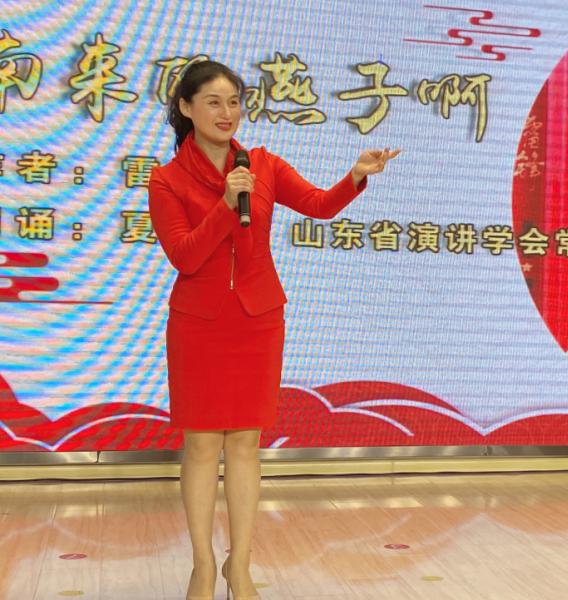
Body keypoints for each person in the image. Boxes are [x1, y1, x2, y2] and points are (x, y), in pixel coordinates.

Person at [148, 60, 399, 600]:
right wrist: (224, 204)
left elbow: (318, 205)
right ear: (186, 108)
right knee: (201, 445)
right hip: (199, 324)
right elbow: (185, 256)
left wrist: (356, 175)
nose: (227, 112)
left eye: (234, 101)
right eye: (213, 102)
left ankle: (240, 565)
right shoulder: (166, 179)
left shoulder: (262, 164)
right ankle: (201, 565)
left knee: (245, 444)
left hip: (257, 320)